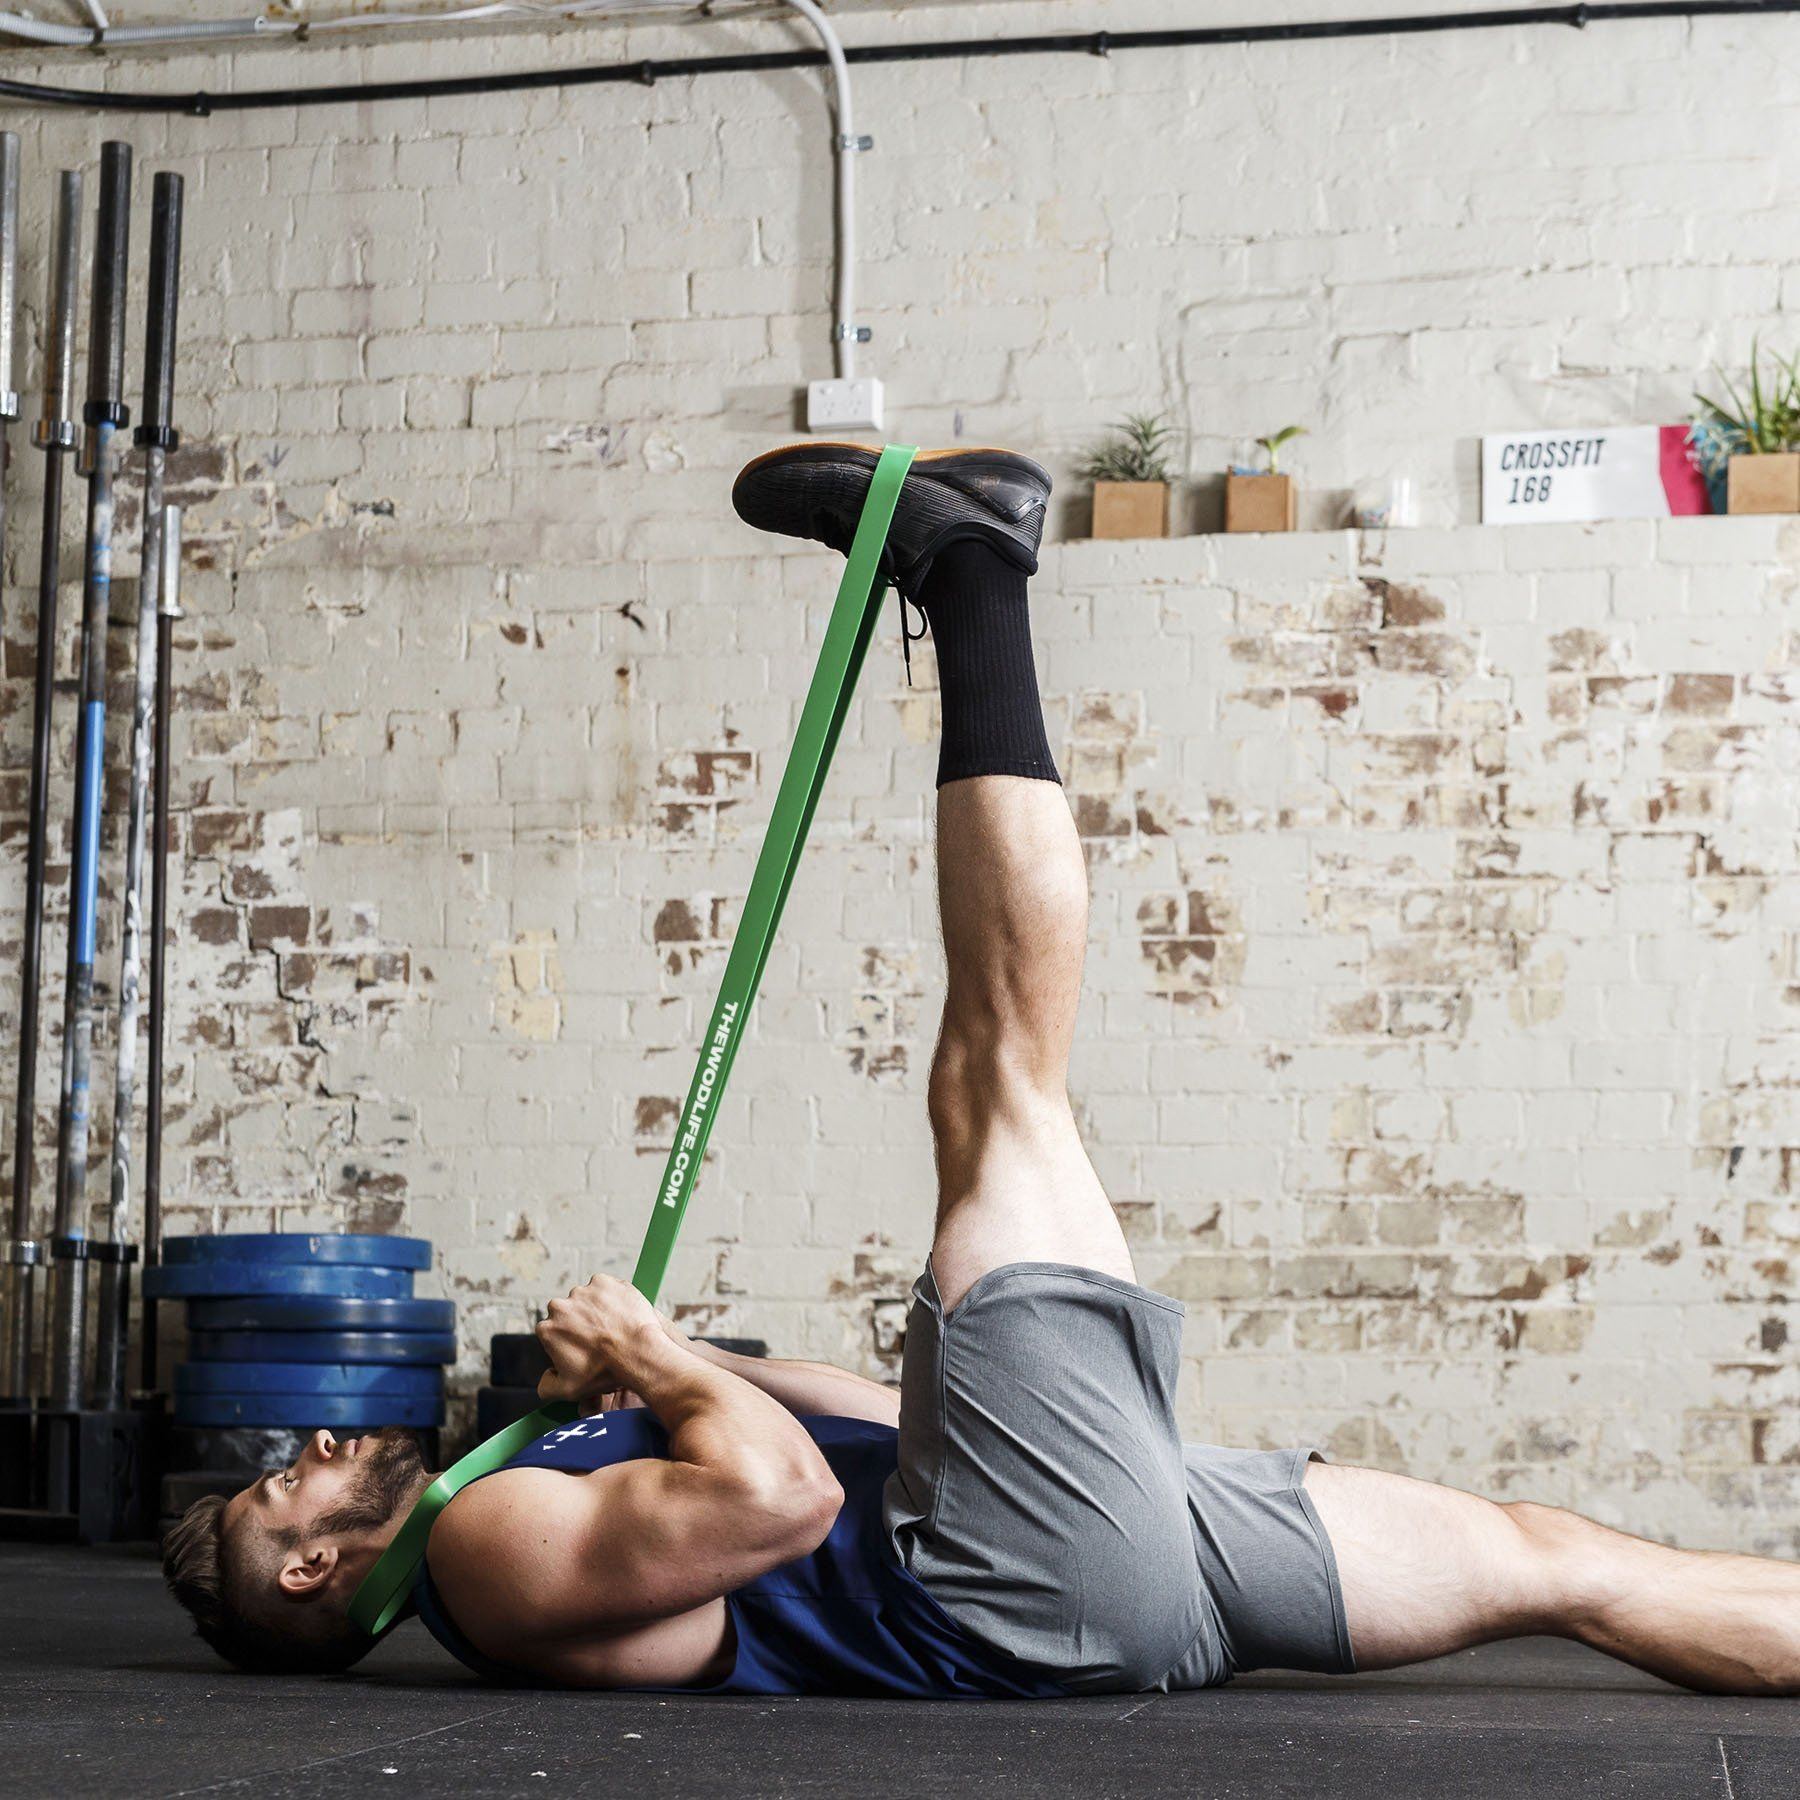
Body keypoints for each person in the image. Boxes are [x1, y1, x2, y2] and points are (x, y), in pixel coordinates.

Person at [164, 443, 1800, 1696]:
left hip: (1071, 1547)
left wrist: (688, 1371)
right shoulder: (486, 1556)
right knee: (995, 1086)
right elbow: (785, 1507)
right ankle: (971, 568)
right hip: (1003, 1585)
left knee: (1556, 1561)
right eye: (283, 1489)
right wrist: (656, 1358)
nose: (313, 1454)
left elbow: (846, 1420)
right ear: (311, 1574)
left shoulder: (504, 1480)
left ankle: (974, 563)